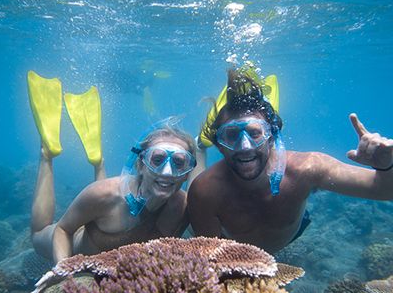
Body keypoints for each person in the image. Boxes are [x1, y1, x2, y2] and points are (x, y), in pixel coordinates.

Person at [188, 63, 393, 254]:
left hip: (294, 233)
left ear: (272, 137)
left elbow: (385, 190)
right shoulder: (205, 191)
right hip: (237, 253)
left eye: (255, 133)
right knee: (190, 202)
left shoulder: (308, 168)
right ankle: (199, 146)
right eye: (231, 135)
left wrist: (386, 165)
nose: (245, 146)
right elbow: (211, 258)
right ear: (219, 146)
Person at [28, 71, 196, 265]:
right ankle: (47, 155)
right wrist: (66, 273)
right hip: (78, 244)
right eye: (157, 160)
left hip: (108, 242)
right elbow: (63, 230)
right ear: (140, 164)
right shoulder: (106, 194)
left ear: (187, 172)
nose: (167, 172)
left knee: (102, 202)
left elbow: (211, 233)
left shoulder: (183, 206)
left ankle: (98, 162)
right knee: (37, 236)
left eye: (179, 162)